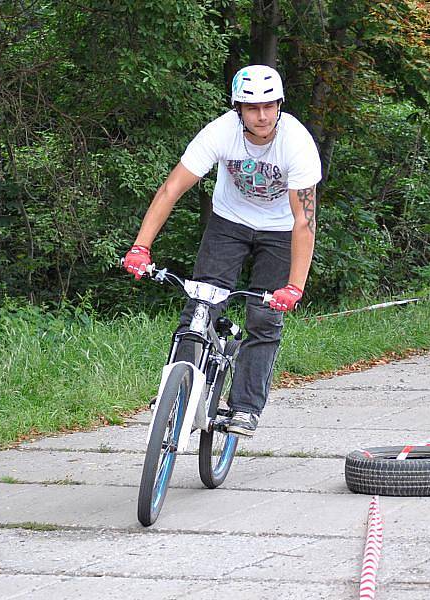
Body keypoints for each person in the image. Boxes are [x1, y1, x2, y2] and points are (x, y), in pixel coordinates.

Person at [123, 64, 321, 437]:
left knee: (263, 318)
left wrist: (294, 286)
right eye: (251, 108)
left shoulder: (297, 143)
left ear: (279, 105)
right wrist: (140, 247)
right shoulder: (220, 132)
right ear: (238, 110)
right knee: (200, 303)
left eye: (269, 106)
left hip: (280, 231)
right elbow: (170, 190)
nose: (261, 116)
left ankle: (245, 407)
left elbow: (304, 221)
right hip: (228, 223)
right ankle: (176, 397)